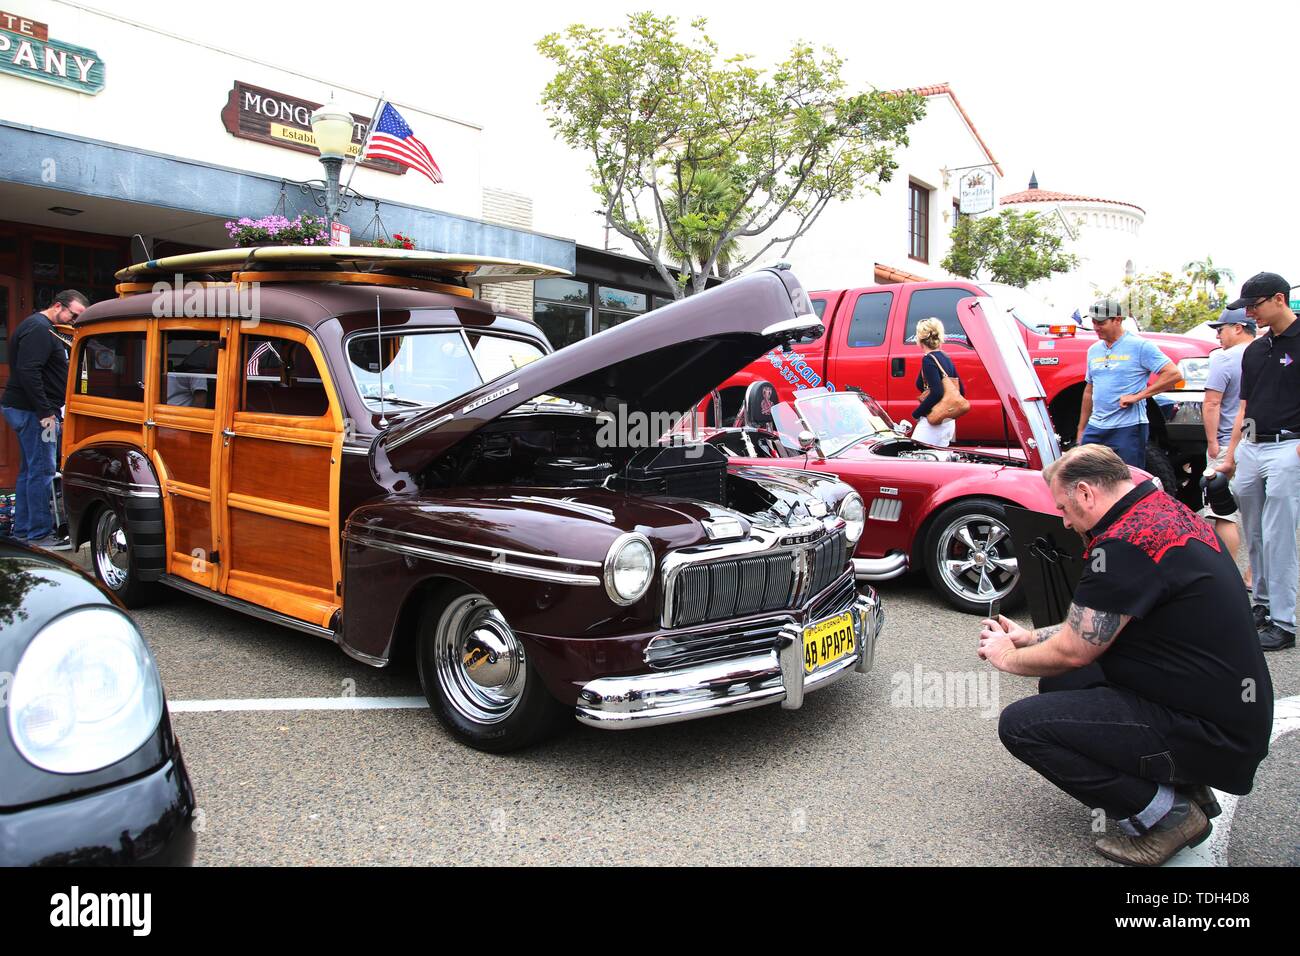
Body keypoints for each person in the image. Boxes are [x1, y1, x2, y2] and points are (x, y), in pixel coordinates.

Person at [980, 444, 1273, 866]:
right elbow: (1099, 624)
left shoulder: (1121, 546)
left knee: (1022, 725)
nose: (1063, 520)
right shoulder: (1160, 509)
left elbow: (1074, 651)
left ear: (1085, 493)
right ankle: (1184, 782)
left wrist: (1008, 658)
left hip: (1212, 733)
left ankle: (1169, 816)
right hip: (1227, 713)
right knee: (1061, 684)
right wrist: (1029, 637)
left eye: (1064, 507)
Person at [1218, 272, 1300, 652]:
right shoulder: (1254, 349)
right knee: (1254, 534)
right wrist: (1231, 454)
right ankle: (1263, 606)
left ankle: (1284, 622)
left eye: (1255, 305)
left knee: (1279, 535)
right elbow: (1245, 406)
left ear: (1279, 299)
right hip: (1252, 444)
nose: (1251, 313)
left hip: (1289, 446)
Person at [1, 290, 88, 550]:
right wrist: (46, 412)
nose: (73, 321)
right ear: (58, 306)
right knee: (43, 471)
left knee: (31, 471)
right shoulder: (39, 329)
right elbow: (29, 371)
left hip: (29, 410)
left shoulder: (40, 327)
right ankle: (39, 534)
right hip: (36, 413)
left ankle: (25, 531)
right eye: (73, 315)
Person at [1076, 298, 1181, 467]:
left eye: (1101, 322)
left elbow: (1173, 374)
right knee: (1087, 474)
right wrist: (1082, 429)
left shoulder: (1140, 346)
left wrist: (1138, 396)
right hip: (1096, 425)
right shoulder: (1094, 350)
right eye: (1094, 322)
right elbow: (1089, 390)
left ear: (1117, 320)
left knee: (1129, 478)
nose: (1096, 327)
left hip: (1128, 426)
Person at [1200, 308, 1256, 594]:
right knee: (1260, 517)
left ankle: (1226, 577)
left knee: (1224, 514)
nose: (1218, 335)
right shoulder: (1266, 353)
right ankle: (1252, 576)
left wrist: (1213, 444)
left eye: (1220, 329)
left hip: (1226, 442)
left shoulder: (1224, 358)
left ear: (1238, 327)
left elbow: (1212, 403)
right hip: (1258, 442)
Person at [912, 317, 963, 447]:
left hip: (933, 423)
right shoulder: (945, 358)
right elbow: (961, 390)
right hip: (948, 422)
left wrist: (917, 413)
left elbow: (937, 392)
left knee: (915, 457)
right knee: (937, 461)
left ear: (919, 340)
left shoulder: (929, 360)